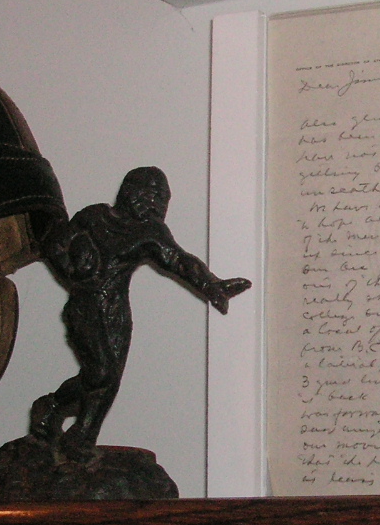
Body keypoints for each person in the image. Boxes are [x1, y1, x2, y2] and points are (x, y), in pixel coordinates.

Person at [29, 166, 250, 459]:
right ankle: (54, 406)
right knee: (101, 374)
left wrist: (211, 285)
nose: (155, 204)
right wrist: (73, 266)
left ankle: (81, 437)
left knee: (108, 380)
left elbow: (179, 260)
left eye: (161, 198)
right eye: (150, 195)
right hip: (85, 306)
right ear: (130, 191)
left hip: (116, 312)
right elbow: (56, 245)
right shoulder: (94, 216)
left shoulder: (149, 233)